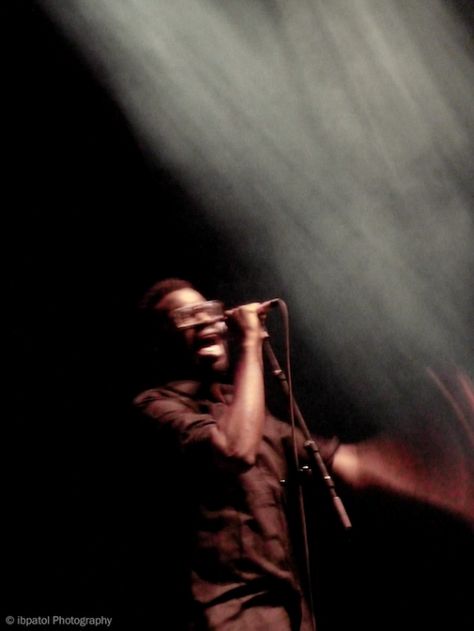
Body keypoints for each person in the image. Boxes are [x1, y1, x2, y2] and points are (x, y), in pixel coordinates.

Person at [133, 278, 474, 631]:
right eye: (187, 315)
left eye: (209, 310)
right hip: (224, 618)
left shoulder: (251, 415)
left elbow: (353, 464)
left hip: (289, 617)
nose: (206, 319)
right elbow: (235, 450)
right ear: (159, 340)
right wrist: (250, 342)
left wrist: (448, 475)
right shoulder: (155, 407)